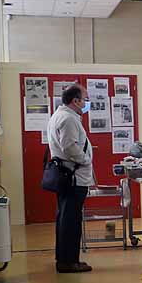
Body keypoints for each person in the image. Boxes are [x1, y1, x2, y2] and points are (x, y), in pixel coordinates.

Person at [46, 84, 95, 273]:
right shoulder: (68, 119)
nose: (87, 103)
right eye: (86, 99)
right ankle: (68, 262)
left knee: (66, 218)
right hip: (73, 178)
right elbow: (69, 147)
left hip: (69, 176)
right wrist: (86, 160)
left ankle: (68, 258)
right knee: (71, 221)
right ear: (76, 101)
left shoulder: (63, 115)